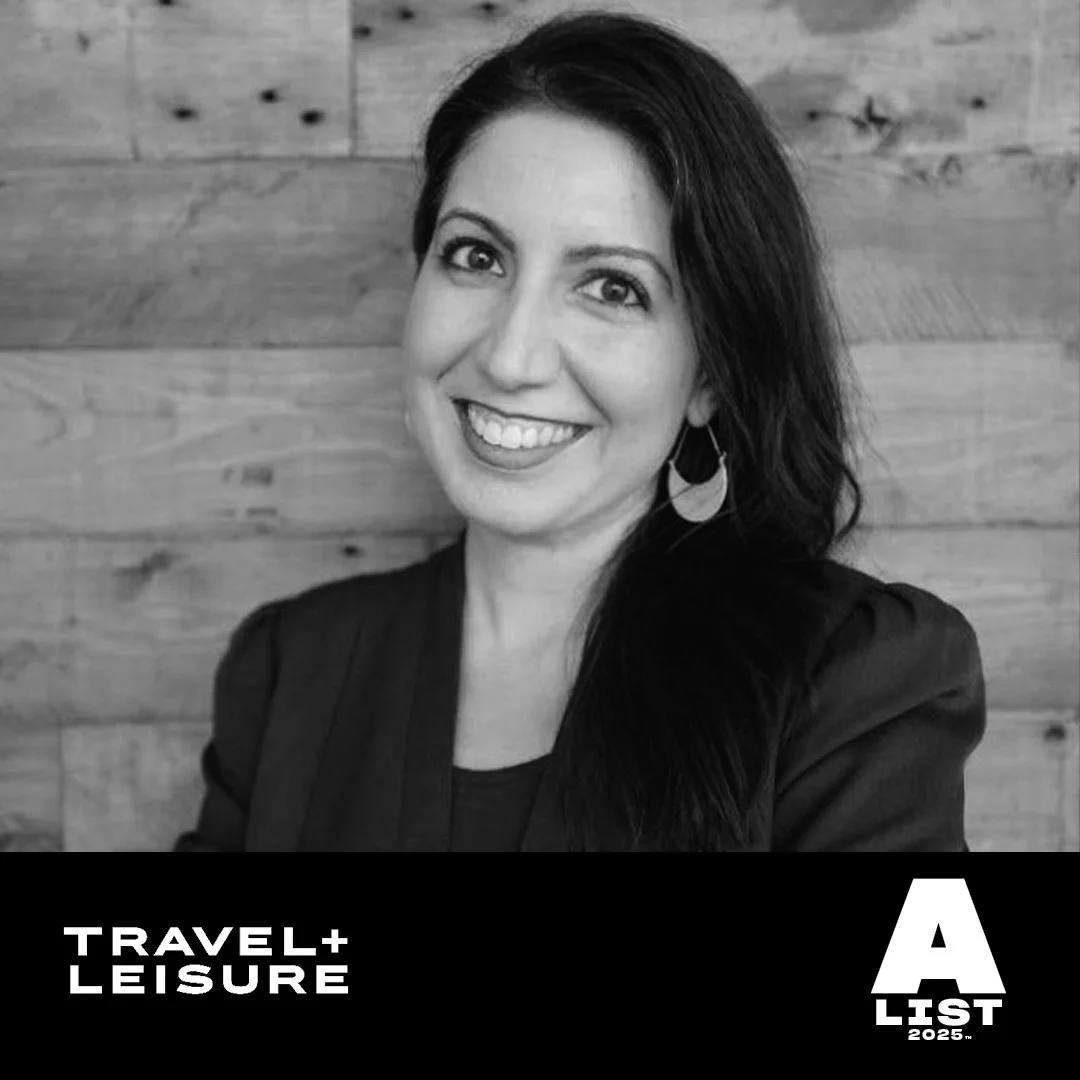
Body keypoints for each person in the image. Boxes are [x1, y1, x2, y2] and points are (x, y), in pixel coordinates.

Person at [174, 10, 985, 852]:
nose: (511, 356)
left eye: (612, 288)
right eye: (477, 257)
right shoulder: (288, 671)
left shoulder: (854, 680)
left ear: (710, 376)